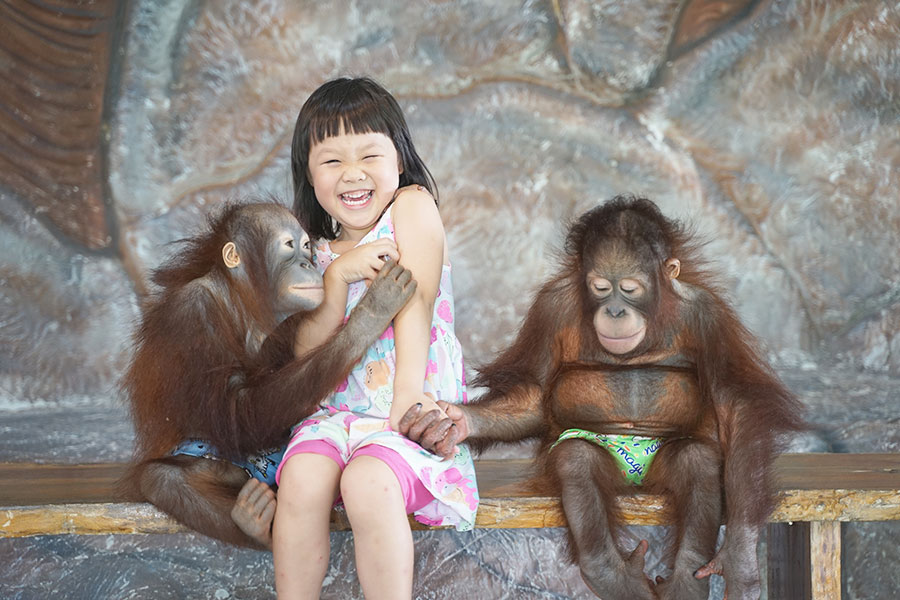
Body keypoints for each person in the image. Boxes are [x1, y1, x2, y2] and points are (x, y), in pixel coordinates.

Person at [272, 77, 478, 600]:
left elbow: (417, 297)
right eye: (332, 161)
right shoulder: (311, 250)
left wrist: (408, 391)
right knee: (300, 477)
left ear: (400, 160)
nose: (353, 174)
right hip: (334, 417)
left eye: (369, 155)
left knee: (367, 483)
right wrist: (338, 276)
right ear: (309, 175)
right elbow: (306, 354)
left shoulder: (410, 208)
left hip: (406, 414)